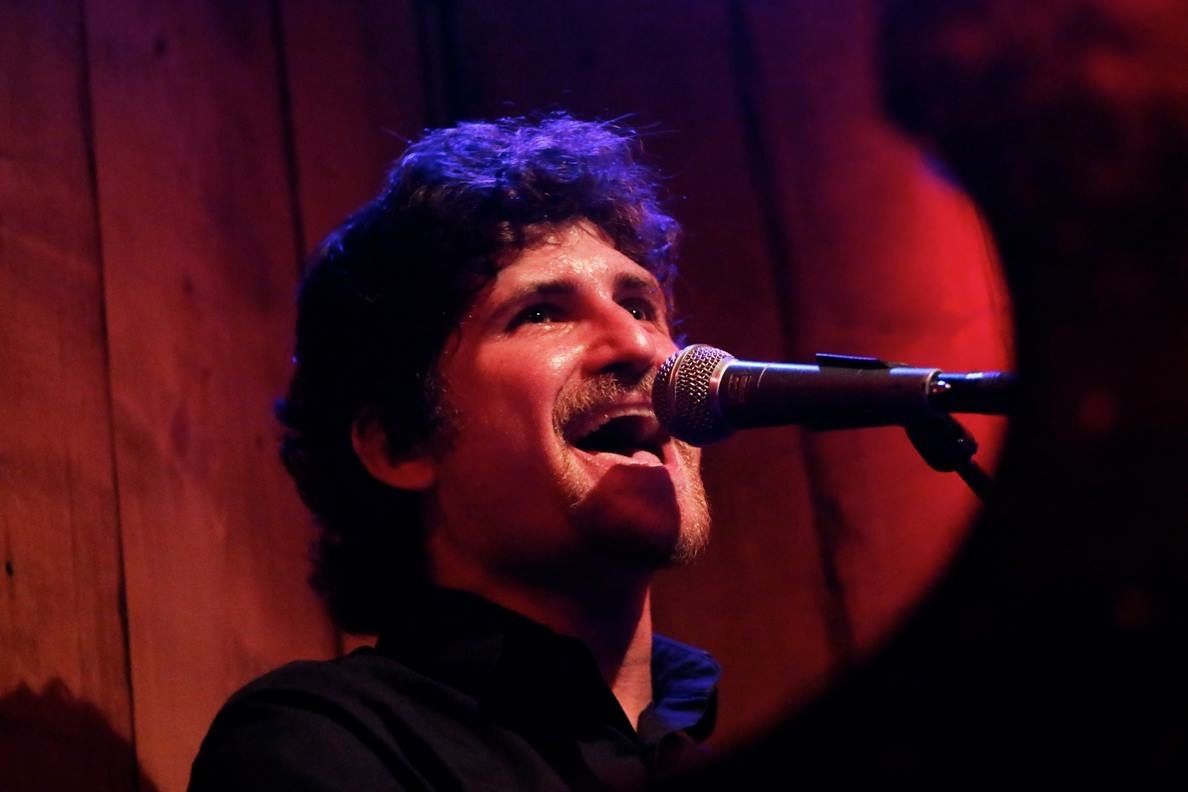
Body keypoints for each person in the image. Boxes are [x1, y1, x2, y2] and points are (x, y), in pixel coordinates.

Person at [188, 114, 718, 791]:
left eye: (640, 306)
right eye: (541, 313)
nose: (641, 346)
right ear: (402, 443)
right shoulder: (322, 744)